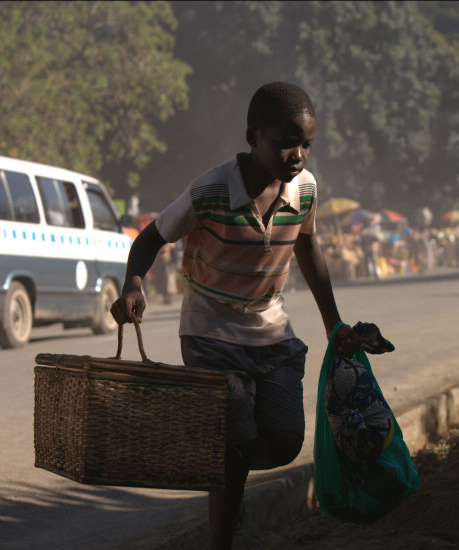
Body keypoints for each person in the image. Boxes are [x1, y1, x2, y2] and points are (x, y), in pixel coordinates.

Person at [110, 82, 366, 550]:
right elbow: (152, 236)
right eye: (286, 142)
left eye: (307, 144)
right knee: (232, 442)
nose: (298, 155)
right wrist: (133, 284)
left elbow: (308, 246)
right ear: (254, 136)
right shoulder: (209, 190)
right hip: (209, 332)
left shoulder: (305, 189)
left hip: (272, 332)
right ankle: (223, 524)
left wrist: (334, 323)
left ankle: (227, 475)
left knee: (285, 441)